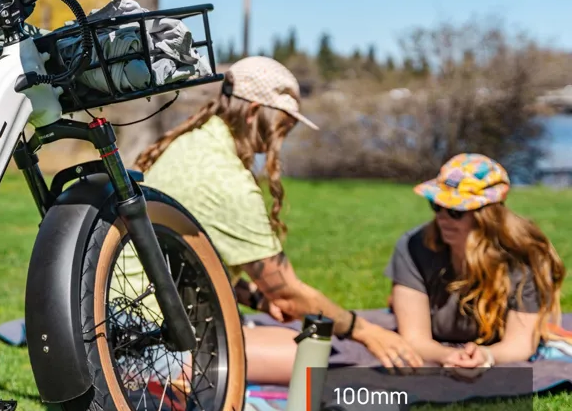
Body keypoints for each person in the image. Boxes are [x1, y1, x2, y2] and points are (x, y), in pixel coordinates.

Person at [132, 56, 422, 385]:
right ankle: (158, 378)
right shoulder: (226, 181)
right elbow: (288, 294)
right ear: (255, 112)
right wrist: (367, 333)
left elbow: (184, 265)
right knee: (308, 354)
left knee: (288, 335)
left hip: (129, 315)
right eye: (285, 125)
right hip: (151, 336)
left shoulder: (190, 145)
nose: (283, 137)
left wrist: (256, 299)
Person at [385, 153, 566, 369]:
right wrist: (446, 356)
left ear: (487, 215)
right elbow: (414, 338)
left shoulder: (525, 255)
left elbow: (520, 344)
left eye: (455, 211)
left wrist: (487, 356)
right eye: (436, 206)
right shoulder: (412, 246)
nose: (442, 217)